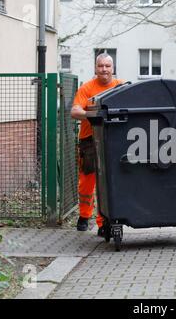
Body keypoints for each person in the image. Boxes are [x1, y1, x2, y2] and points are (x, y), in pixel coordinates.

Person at [71, 53, 125, 235]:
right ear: (95, 68)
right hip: (90, 140)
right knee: (87, 181)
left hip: (114, 139)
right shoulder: (87, 89)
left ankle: (104, 223)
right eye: (101, 66)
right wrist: (91, 115)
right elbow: (75, 111)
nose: (104, 69)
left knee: (109, 182)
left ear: (113, 68)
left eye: (107, 66)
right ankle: (84, 215)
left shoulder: (121, 86)